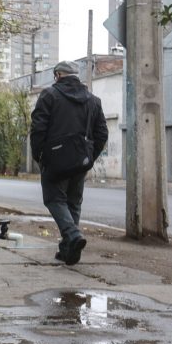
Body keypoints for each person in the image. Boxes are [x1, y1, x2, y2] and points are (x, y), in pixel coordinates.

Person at [30, 60, 108, 265]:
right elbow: (102, 134)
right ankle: (68, 251)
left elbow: (38, 129)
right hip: (80, 161)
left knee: (54, 200)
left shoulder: (49, 96)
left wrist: (38, 156)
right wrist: (89, 158)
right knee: (73, 203)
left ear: (58, 75)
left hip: (54, 161)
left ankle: (72, 236)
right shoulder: (93, 100)